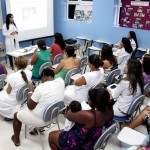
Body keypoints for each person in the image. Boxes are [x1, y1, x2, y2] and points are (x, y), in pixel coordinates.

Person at [11, 68, 65, 146]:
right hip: (55, 116)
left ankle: (16, 140)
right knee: (44, 105)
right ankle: (38, 130)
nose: (41, 81)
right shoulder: (61, 81)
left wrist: (30, 91)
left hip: (42, 120)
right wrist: (36, 92)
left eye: (41, 78)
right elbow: (49, 92)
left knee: (16, 115)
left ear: (44, 76)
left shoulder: (41, 87)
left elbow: (30, 106)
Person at [49, 89, 114, 150]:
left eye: (89, 99)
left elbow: (68, 115)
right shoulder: (110, 110)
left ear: (94, 103)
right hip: (93, 140)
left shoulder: (91, 116)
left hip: (81, 145)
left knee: (51, 135)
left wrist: (74, 106)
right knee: (61, 131)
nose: (88, 100)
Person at [0, 56, 32, 120]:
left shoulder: (12, 76)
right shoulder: (29, 72)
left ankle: (9, 115)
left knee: (2, 95)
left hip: (15, 100)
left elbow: (8, 92)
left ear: (15, 65)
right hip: (24, 96)